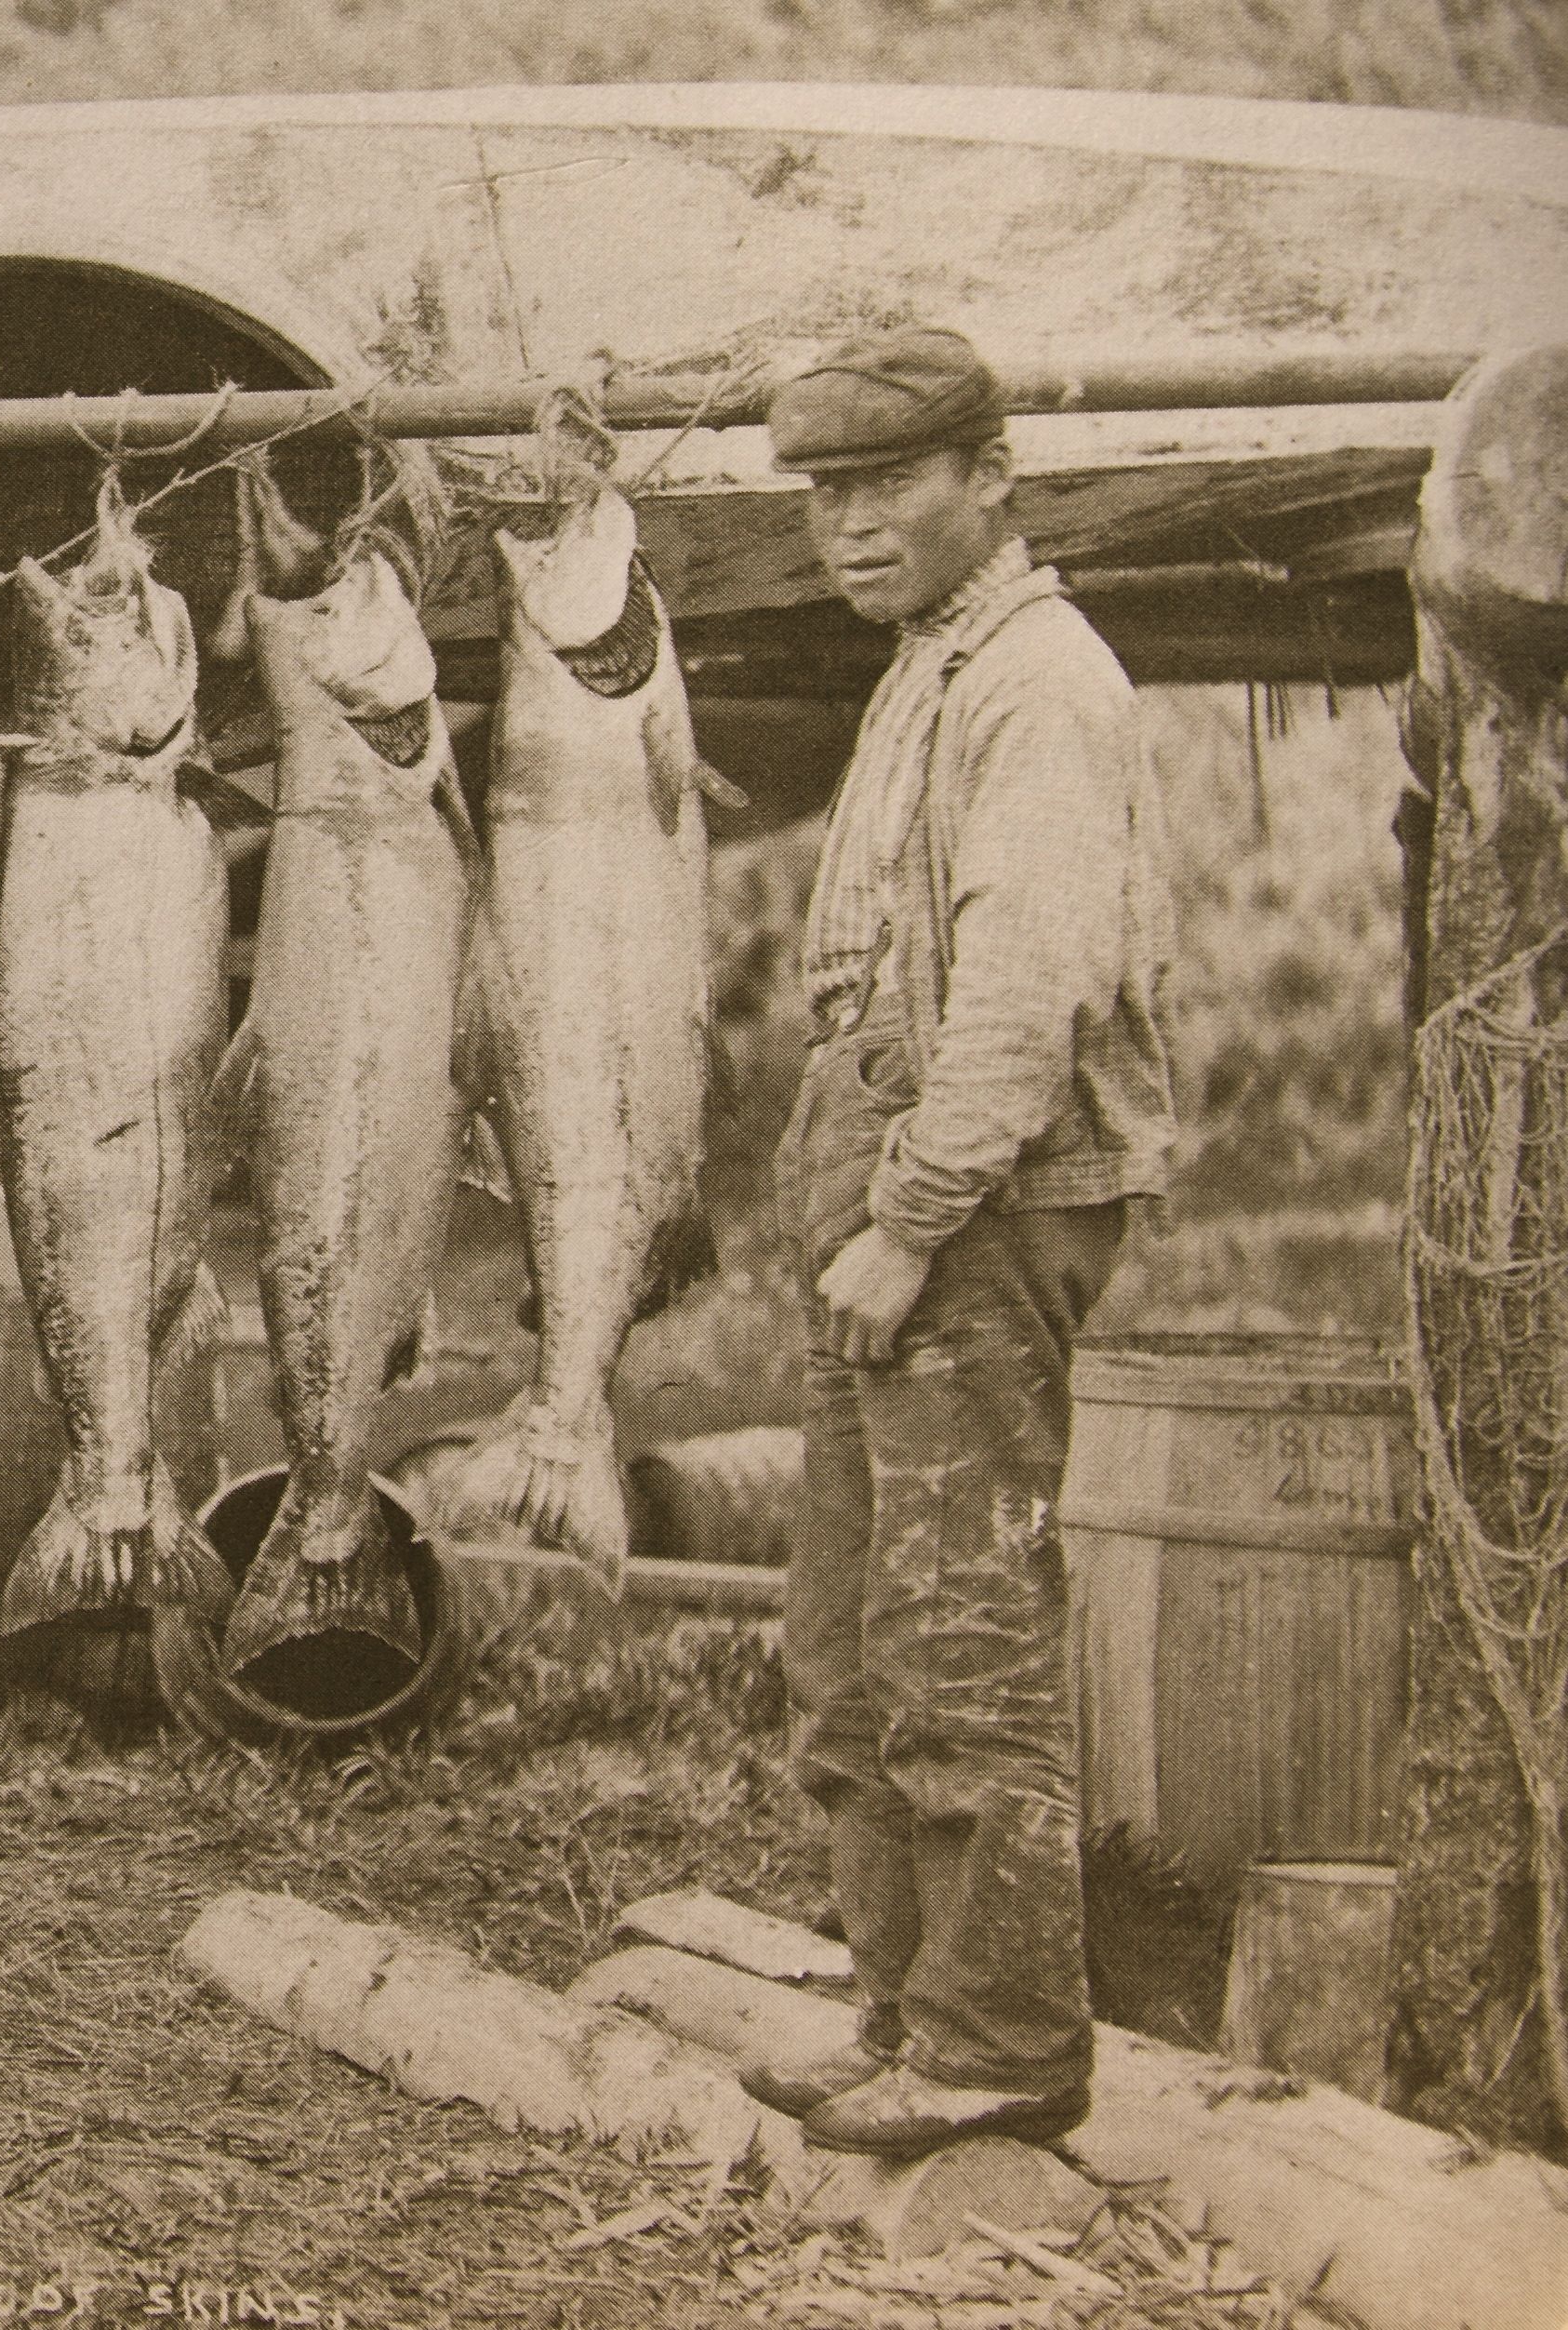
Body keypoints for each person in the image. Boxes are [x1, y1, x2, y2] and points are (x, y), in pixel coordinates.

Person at [745, 327, 1178, 2157]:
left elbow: (1016, 996)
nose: (850, 525)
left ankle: (997, 2034)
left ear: (989, 476)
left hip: (973, 1220)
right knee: (849, 1643)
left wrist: (907, 1221)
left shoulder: (1039, 685)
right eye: (826, 492)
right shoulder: (933, 663)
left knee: (959, 1636)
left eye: (887, 483)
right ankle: (901, 2009)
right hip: (893, 1210)